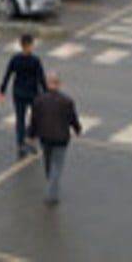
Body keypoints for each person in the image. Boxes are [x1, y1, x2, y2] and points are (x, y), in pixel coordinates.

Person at [28, 72, 82, 205]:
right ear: (59, 84)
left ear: (47, 84)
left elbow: (34, 120)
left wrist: (31, 135)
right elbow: (72, 119)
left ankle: (51, 185)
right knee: (57, 166)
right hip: (61, 138)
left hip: (45, 137)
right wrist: (78, 129)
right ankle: (52, 194)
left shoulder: (39, 100)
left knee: (48, 163)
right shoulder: (67, 101)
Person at [0, 32, 47, 159]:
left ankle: (21, 143)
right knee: (36, 117)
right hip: (32, 93)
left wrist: (2, 91)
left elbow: (7, 75)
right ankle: (30, 137)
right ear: (29, 45)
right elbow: (41, 78)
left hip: (18, 92)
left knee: (20, 119)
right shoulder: (35, 60)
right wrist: (47, 93)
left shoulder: (15, 59)